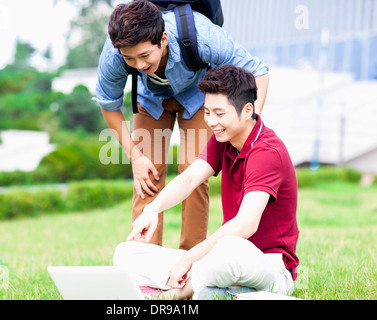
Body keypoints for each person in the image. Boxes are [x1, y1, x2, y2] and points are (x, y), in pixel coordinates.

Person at [93, 0, 270, 250]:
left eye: (144, 56)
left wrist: (251, 125)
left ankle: (189, 263)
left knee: (194, 170)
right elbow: (108, 104)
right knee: (148, 173)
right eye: (130, 59)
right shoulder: (114, 55)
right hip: (151, 99)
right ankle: (144, 260)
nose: (139, 65)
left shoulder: (203, 35)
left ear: (163, 39)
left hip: (197, 97)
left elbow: (258, 72)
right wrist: (135, 157)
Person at [113, 64, 299, 300]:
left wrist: (189, 258)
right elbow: (189, 178)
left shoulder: (267, 151)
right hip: (220, 261)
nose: (211, 122)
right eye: (207, 112)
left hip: (270, 266)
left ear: (247, 110)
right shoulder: (224, 139)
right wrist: (153, 209)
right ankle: (214, 290)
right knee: (125, 253)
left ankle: (174, 294)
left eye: (219, 114)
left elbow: (245, 225)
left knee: (229, 249)